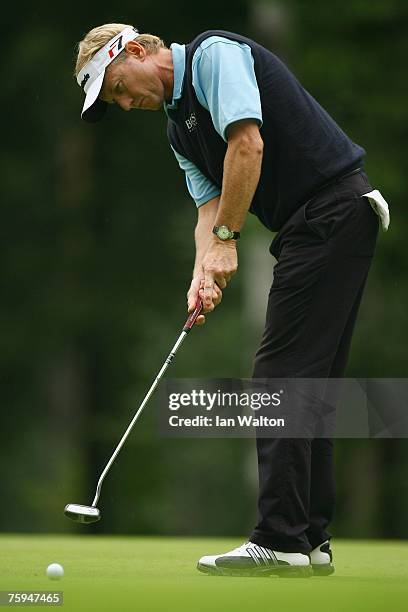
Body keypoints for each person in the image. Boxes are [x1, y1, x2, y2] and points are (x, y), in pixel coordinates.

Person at [74, 23, 389, 577]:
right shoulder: (178, 130)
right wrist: (204, 272)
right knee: (309, 384)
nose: (123, 103)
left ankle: (279, 538)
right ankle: (310, 538)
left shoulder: (214, 57)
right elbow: (208, 207)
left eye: (118, 87)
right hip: (319, 223)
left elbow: (248, 144)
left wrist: (227, 242)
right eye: (113, 99)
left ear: (139, 51)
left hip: (331, 211)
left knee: (279, 379)